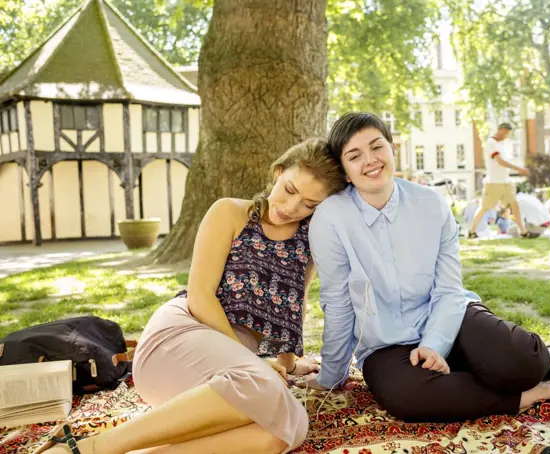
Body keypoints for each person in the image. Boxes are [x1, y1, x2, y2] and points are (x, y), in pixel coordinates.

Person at [299, 112, 550, 424]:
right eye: (354, 155)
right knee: (408, 397)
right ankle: (547, 389)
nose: (370, 160)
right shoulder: (331, 218)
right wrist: (332, 374)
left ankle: (545, 356)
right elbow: (338, 301)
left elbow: (448, 290)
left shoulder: (431, 205)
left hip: (448, 315)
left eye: (377, 147)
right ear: (344, 170)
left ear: (393, 149)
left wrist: (434, 344)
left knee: (522, 363)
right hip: (385, 345)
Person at [37, 139, 347, 454]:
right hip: (182, 336)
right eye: (290, 190)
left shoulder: (307, 242)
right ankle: (89, 447)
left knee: (288, 429)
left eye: (309, 204)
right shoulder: (231, 212)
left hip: (233, 373)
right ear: (278, 173)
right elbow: (200, 296)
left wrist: (289, 364)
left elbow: (293, 308)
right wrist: (253, 361)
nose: (292, 207)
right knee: (263, 386)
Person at [468, 123, 537, 239]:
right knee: (484, 207)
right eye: (506, 134)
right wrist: (519, 169)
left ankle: (523, 231)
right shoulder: (491, 144)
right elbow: (500, 161)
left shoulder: (501, 146)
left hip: (506, 182)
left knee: (515, 205)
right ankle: (471, 231)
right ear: (502, 130)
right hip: (494, 182)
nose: (507, 137)